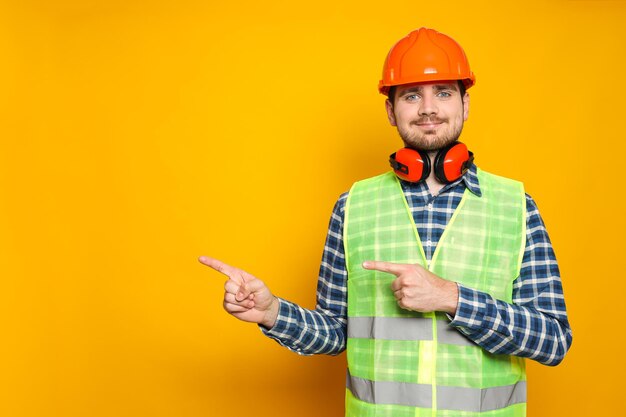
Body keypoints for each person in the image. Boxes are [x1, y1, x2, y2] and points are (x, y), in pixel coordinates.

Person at [199, 27, 572, 416]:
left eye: (443, 92)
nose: (428, 108)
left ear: (465, 103)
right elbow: (335, 331)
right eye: (412, 96)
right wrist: (272, 312)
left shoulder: (515, 207)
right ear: (391, 111)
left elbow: (553, 341)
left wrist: (451, 298)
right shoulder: (353, 206)